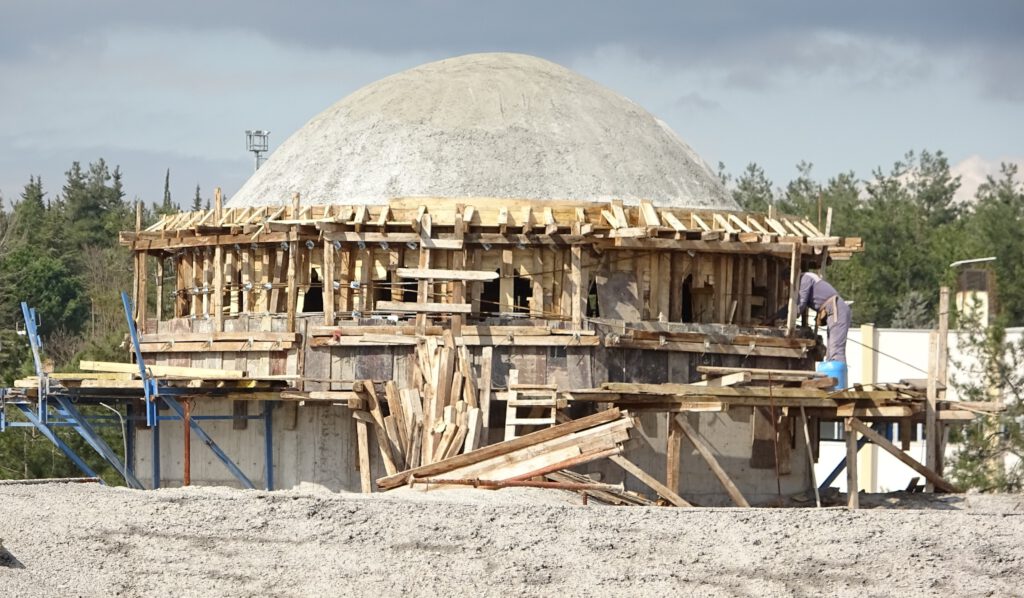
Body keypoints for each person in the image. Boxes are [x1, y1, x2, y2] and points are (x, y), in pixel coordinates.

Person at [775, 267, 851, 363]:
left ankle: (837, 376)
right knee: (831, 349)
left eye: (787, 283)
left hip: (837, 310)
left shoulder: (805, 279)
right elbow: (792, 306)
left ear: (791, 278)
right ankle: (833, 374)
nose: (787, 286)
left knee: (836, 349)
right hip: (833, 311)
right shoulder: (804, 281)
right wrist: (775, 316)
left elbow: (800, 306)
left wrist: (787, 320)